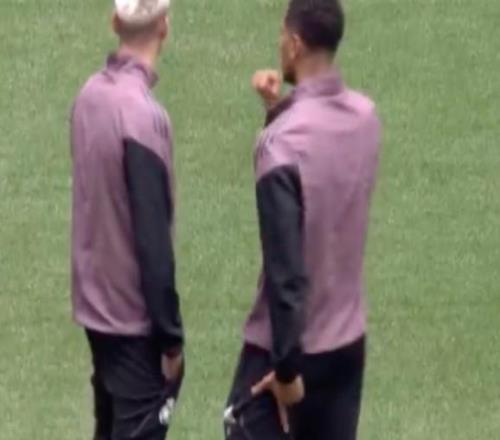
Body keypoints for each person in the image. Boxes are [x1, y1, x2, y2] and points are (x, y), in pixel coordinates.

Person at [224, 1, 381, 439]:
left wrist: (287, 372)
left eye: (281, 35)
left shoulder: (279, 145)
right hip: (346, 347)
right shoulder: (366, 119)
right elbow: (323, 171)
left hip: (290, 355)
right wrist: (280, 108)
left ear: (294, 44)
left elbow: (286, 271)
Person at [70, 1, 184, 438]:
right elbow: (153, 241)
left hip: (94, 311)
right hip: (133, 323)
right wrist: (170, 339)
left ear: (115, 22)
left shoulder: (88, 97)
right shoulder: (144, 118)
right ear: (164, 27)